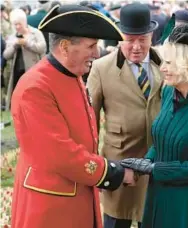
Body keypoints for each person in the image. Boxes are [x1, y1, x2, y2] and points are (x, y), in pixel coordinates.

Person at [10, 5, 136, 228]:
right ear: (65, 47)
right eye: (91, 46)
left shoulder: (71, 75)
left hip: (73, 197)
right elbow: (60, 154)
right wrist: (113, 172)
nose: (97, 53)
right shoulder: (35, 87)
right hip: (50, 208)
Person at [120, 24, 188, 228]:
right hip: (160, 192)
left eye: (169, 63)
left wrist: (153, 168)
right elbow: (161, 140)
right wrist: (143, 164)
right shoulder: (169, 92)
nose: (162, 68)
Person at [87, 3, 163, 228]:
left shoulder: (166, 64)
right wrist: (96, 170)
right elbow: (89, 121)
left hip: (159, 165)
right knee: (116, 222)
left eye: (143, 39)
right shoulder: (101, 68)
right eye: (130, 40)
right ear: (119, 38)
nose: (137, 47)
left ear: (151, 36)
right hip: (120, 167)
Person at [3, 8, 47, 110]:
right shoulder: (13, 36)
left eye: (19, 24)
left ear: (24, 22)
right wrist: (14, 45)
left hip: (33, 71)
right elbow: (6, 55)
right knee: (20, 100)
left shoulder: (35, 33)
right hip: (17, 73)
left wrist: (27, 43)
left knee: (34, 98)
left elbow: (42, 48)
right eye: (15, 24)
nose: (17, 27)